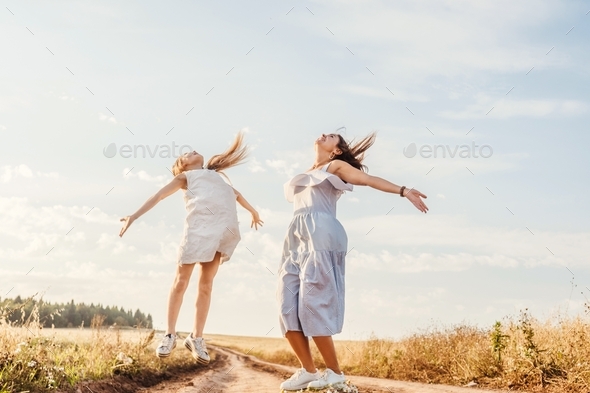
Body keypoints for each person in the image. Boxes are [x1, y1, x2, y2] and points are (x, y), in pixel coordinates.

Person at [277, 132, 428, 390]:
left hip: (322, 237)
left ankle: (334, 373)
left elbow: (366, 179)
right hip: (295, 240)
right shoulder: (307, 171)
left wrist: (403, 191)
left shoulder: (334, 166)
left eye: (332, 136)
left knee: (313, 304)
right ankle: (309, 371)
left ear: (336, 151)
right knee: (286, 308)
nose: (323, 134)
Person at [119, 132, 263, 364]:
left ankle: (196, 338)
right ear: (182, 165)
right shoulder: (186, 177)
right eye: (186, 154)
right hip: (198, 232)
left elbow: (236, 194)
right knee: (181, 282)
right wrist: (134, 216)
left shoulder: (215, 177)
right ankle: (169, 334)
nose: (192, 151)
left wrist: (253, 211)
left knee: (206, 286)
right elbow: (159, 195)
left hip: (221, 233)